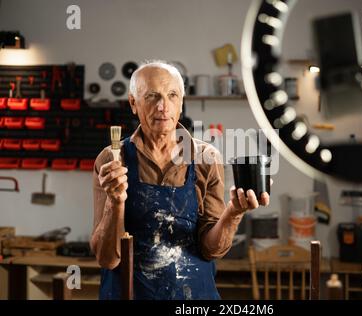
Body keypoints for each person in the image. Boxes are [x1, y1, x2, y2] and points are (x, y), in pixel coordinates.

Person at [90, 60, 271, 300]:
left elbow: (210, 250)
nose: (163, 106)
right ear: (133, 103)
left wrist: (233, 213)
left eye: (172, 95)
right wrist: (115, 201)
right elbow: (107, 258)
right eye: (152, 96)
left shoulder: (206, 158)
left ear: (181, 102)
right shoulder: (111, 159)